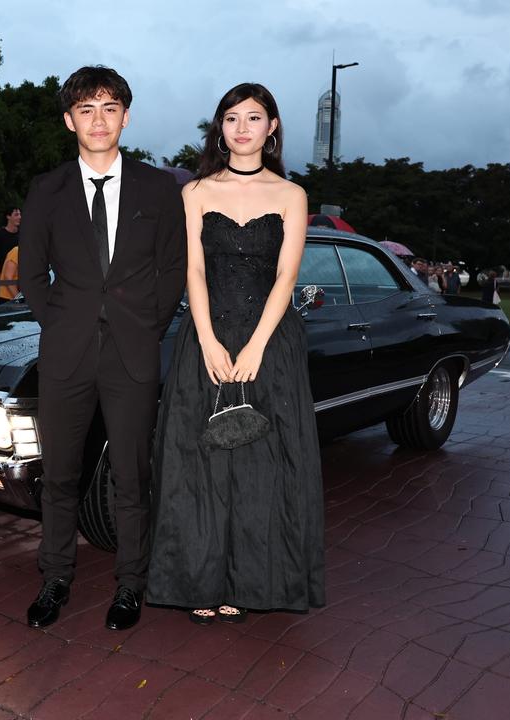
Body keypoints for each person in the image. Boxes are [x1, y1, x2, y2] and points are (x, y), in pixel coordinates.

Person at [146, 82, 325, 625]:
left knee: (263, 467)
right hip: (206, 338)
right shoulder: (196, 192)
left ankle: (252, 583)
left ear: (272, 127)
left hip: (270, 345)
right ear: (219, 128)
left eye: (254, 117)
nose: (242, 127)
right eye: (231, 118)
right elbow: (193, 271)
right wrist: (205, 338)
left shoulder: (292, 195)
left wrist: (255, 346)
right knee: (200, 464)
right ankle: (198, 579)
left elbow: (287, 277)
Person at [18, 66, 187, 631]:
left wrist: (147, 327)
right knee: (61, 475)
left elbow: (173, 269)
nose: (98, 120)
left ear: (126, 117)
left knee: (132, 476)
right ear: (70, 121)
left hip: (134, 353)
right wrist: (61, 324)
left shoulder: (161, 188)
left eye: (109, 108)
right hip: (65, 355)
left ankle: (131, 584)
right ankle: (55, 578)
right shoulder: (47, 189)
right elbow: (32, 276)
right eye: (86, 110)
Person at [0, 206, 21, 278]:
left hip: (21, 280)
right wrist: (0, 281)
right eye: (16, 214)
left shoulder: (23, 235)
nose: (20, 217)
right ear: (8, 216)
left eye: (20, 214)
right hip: (3, 278)